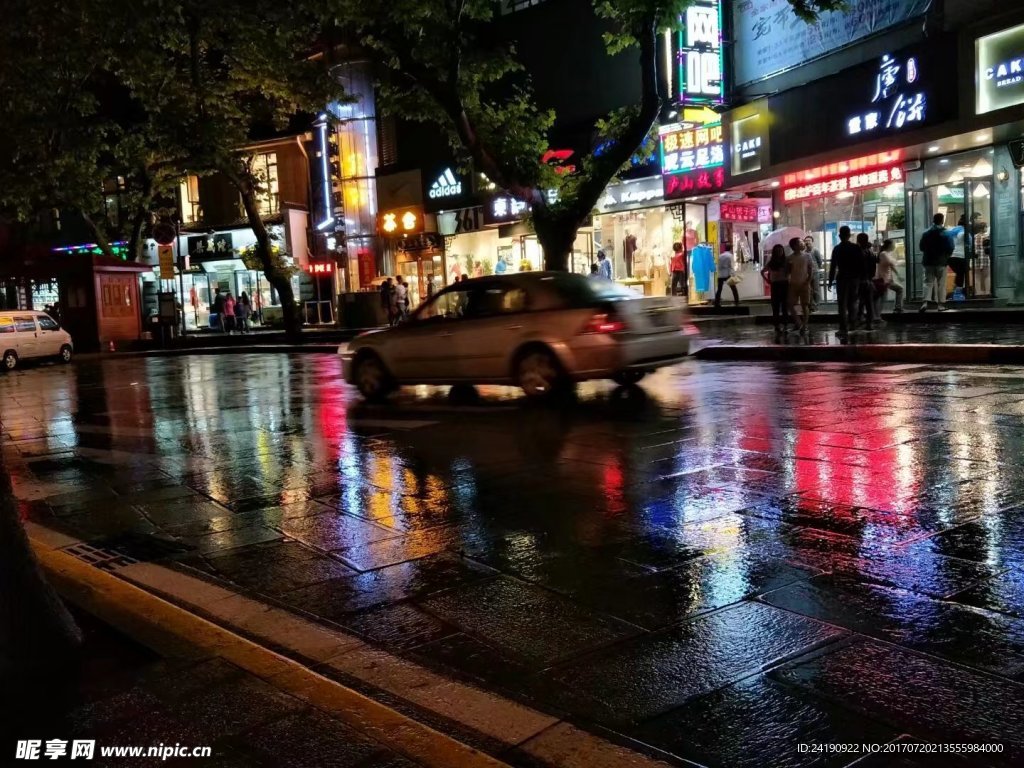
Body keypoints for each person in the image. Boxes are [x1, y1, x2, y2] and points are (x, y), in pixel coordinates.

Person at [828, 226, 864, 339]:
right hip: (854, 278)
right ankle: (853, 325)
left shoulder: (837, 249)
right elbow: (861, 264)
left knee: (842, 304)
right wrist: (862, 278)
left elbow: (833, 266)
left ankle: (843, 327)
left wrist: (830, 280)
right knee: (852, 302)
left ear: (839, 236)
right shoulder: (855, 248)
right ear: (849, 235)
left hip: (842, 278)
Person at [919, 213, 953, 312]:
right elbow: (951, 247)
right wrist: (946, 256)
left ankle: (925, 303)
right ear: (942, 220)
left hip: (928, 262)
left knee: (927, 283)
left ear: (933, 220)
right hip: (941, 261)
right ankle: (940, 305)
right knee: (941, 284)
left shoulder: (926, 233)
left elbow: (921, 247)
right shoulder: (946, 233)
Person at [786, 237, 814, 333]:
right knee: (790, 304)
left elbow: (811, 270)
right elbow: (788, 271)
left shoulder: (807, 256)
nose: (803, 243)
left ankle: (804, 325)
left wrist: (808, 281)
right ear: (794, 246)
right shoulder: (790, 258)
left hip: (804, 283)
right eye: (800, 242)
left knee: (805, 305)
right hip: (793, 284)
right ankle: (798, 322)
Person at [761, 244, 789, 335]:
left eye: (781, 251)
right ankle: (777, 325)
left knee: (784, 306)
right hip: (776, 284)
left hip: (784, 284)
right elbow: (762, 271)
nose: (780, 252)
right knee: (776, 306)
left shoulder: (786, 261)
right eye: (778, 251)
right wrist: (768, 280)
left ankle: (785, 325)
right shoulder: (772, 262)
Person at [855, 233, 880, 329]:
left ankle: (858, 320)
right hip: (868, 280)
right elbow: (874, 267)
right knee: (868, 302)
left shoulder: (856, 252)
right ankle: (869, 323)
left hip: (858, 281)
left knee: (859, 301)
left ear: (858, 240)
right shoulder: (870, 253)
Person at [875, 239, 904, 317]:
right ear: (889, 245)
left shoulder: (887, 253)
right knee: (881, 298)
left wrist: (898, 275)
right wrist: (902, 261)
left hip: (887, 279)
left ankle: (897, 309)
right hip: (883, 279)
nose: (894, 246)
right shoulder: (884, 254)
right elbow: (892, 262)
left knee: (898, 290)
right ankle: (877, 316)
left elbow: (891, 266)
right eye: (893, 244)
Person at [714, 242, 739, 308]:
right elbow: (731, 266)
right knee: (733, 288)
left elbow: (718, 265)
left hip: (720, 275)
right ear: (730, 249)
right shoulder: (730, 256)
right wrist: (733, 275)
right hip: (727, 274)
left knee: (719, 289)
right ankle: (737, 301)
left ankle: (716, 302)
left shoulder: (720, 255)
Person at [804, 235, 825, 305]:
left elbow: (820, 261)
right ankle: (810, 304)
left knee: (816, 288)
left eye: (809, 241)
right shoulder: (804, 251)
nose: (807, 242)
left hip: (815, 272)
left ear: (812, 242)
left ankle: (816, 303)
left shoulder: (815, 250)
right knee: (809, 289)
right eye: (806, 241)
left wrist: (816, 268)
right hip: (806, 273)